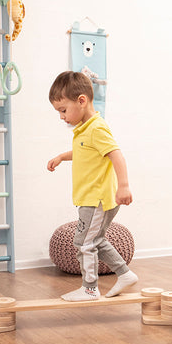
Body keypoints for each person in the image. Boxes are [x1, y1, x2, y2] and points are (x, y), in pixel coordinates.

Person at [47, 71, 138, 301]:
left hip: (97, 199)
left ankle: (89, 289)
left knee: (83, 243)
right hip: (89, 198)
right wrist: (61, 157)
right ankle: (124, 274)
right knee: (95, 240)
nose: (61, 117)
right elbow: (83, 151)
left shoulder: (97, 128)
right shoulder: (84, 130)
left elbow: (116, 155)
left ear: (82, 101)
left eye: (63, 110)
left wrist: (124, 186)